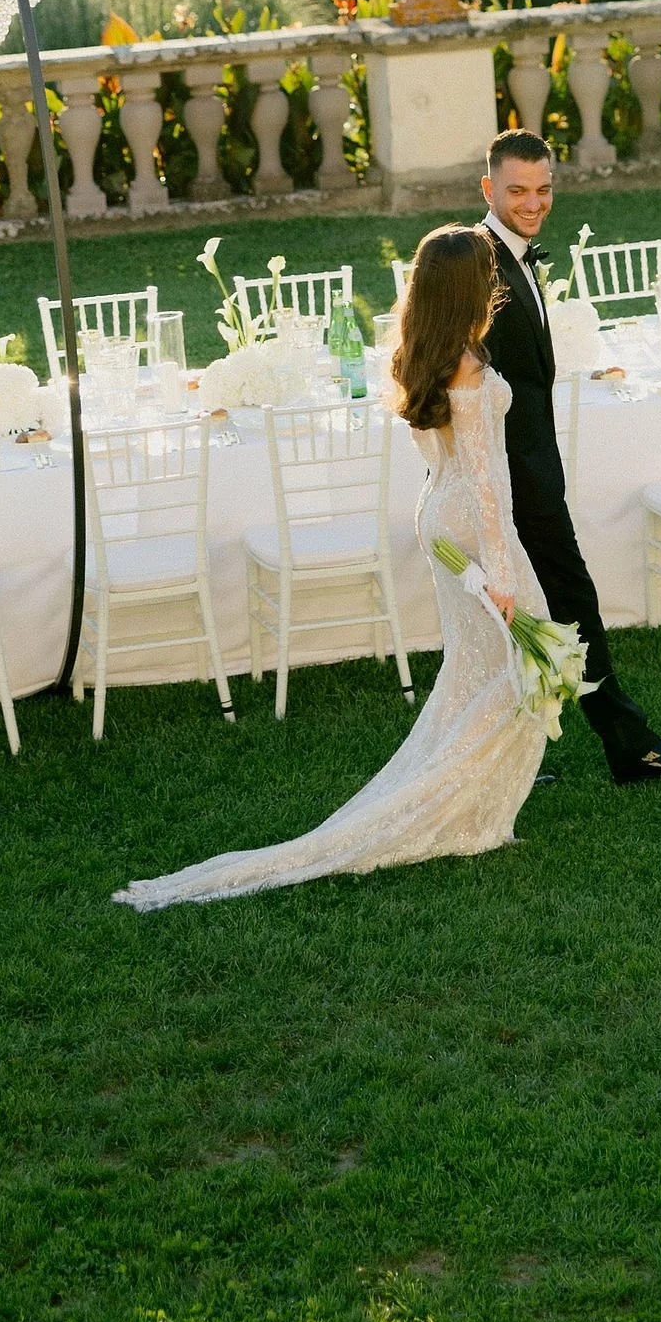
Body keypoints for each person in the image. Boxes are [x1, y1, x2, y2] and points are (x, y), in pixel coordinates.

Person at [114, 225, 554, 910]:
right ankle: (455, 807)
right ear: (473, 290)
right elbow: (490, 479)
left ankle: (465, 796)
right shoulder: (468, 367)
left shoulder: (426, 353)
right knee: (527, 663)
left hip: (436, 512)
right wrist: (502, 573)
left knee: (478, 666)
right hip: (472, 521)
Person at [479, 127, 661, 784]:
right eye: (517, 191)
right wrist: (503, 488)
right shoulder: (477, 266)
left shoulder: (515, 257)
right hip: (508, 479)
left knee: (521, 620)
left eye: (543, 189)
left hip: (525, 469)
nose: (533, 203)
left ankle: (509, 761)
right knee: (567, 606)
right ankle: (630, 747)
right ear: (488, 189)